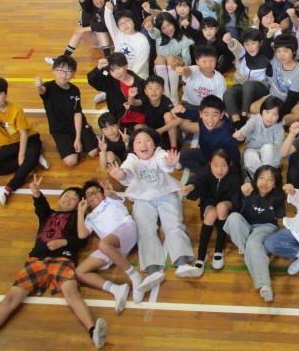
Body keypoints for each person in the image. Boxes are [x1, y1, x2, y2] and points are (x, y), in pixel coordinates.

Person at [0, 176, 108, 350]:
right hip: (36, 261)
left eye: (73, 198)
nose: (68, 199)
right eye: (66, 195)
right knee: (10, 299)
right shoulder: (48, 215)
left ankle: (93, 331)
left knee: (72, 293)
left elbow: (81, 240)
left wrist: (64, 242)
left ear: (79, 204)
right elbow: (41, 208)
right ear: (60, 198)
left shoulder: (77, 218)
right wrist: (37, 193)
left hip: (63, 260)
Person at [107, 128, 199, 286]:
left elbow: (164, 161)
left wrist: (170, 163)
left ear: (154, 144)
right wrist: (120, 175)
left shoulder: (159, 153)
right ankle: (153, 270)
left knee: (174, 225)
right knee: (145, 231)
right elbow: (126, 171)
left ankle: (182, 263)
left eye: (147, 140)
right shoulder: (132, 158)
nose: (143, 145)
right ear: (133, 147)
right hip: (142, 199)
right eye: (138, 142)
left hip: (166, 194)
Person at [75, 180, 144, 313]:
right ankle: (116, 289)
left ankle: (135, 277)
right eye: (89, 194)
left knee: (103, 244)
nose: (93, 195)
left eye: (96, 192)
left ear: (102, 193)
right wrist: (80, 212)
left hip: (126, 229)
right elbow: (82, 235)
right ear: (86, 200)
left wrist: (110, 193)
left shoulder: (110, 200)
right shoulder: (89, 217)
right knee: (80, 272)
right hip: (111, 247)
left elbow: (114, 196)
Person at [224, 165, 286, 302]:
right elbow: (236, 204)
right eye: (261, 178)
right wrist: (243, 193)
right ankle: (246, 249)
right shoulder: (248, 190)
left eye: (270, 179)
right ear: (255, 179)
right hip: (247, 225)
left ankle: (265, 285)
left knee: (253, 244)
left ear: (275, 184)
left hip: (266, 227)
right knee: (233, 218)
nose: (264, 182)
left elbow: (280, 218)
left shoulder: (278, 196)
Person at [181, 149, 242, 275]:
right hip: (210, 202)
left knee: (221, 207)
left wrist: (229, 207)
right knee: (211, 213)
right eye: (215, 165)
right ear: (210, 164)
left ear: (229, 165)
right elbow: (198, 180)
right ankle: (201, 255)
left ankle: (219, 248)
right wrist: (190, 187)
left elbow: (237, 201)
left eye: (223, 166)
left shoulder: (234, 176)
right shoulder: (206, 171)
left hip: (227, 205)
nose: (219, 170)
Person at [35, 55, 99, 166]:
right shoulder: (48, 87)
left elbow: (77, 113)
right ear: (54, 71)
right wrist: (38, 86)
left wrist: (78, 138)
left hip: (76, 124)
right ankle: (67, 143)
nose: (64, 75)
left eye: (69, 71)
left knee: (94, 153)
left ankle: (85, 132)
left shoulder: (75, 90)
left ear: (73, 74)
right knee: (71, 161)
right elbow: (41, 90)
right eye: (60, 70)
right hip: (59, 130)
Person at [175, 95, 242, 174]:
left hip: (219, 163)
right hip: (205, 154)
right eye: (206, 114)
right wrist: (179, 109)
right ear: (200, 113)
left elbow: (235, 159)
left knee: (218, 173)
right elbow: (187, 111)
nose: (210, 120)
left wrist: (235, 175)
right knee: (179, 156)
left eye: (215, 115)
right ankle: (204, 172)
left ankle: (208, 175)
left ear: (221, 115)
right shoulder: (201, 114)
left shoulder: (227, 137)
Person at [250, 33, 299, 126]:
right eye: (278, 51)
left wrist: (277, 115)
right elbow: (264, 48)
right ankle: (274, 122)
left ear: (294, 51)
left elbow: (291, 100)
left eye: (285, 51)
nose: (281, 55)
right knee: (253, 108)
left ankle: (268, 121)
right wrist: (269, 34)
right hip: (273, 97)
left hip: (291, 102)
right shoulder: (275, 59)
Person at [45, 0, 112, 63]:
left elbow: (103, 26)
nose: (99, 1)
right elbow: (86, 7)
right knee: (79, 32)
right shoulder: (92, 7)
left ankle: (108, 60)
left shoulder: (109, 6)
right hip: (97, 40)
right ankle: (63, 60)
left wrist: (85, 29)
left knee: (101, 31)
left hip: (110, 40)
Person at [222, 28, 272, 129]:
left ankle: (244, 117)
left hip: (259, 88)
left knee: (248, 85)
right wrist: (230, 42)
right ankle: (237, 123)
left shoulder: (267, 56)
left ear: (260, 43)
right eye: (246, 44)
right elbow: (236, 48)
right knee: (228, 93)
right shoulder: (243, 54)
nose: (250, 47)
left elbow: (271, 77)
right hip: (241, 85)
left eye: (253, 43)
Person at [87, 53, 146, 131]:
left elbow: (143, 104)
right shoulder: (110, 81)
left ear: (126, 65)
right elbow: (92, 80)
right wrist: (99, 67)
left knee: (138, 131)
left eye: (118, 68)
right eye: (112, 70)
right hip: (118, 118)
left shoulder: (140, 83)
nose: (116, 73)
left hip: (137, 119)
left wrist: (132, 101)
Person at [144, 12, 194, 104]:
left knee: (170, 59)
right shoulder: (159, 36)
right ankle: (166, 93)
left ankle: (174, 94)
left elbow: (187, 59)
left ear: (174, 23)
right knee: (159, 58)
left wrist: (180, 63)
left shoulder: (183, 38)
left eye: (169, 25)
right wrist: (150, 29)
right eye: (163, 28)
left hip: (178, 70)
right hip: (161, 69)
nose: (167, 30)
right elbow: (154, 33)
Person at [233, 96, 285, 179]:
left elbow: (278, 146)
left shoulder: (279, 128)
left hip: (270, 156)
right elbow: (247, 127)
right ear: (262, 111)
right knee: (249, 154)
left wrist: (275, 160)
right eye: (267, 112)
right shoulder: (255, 120)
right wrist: (241, 133)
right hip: (253, 150)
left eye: (275, 114)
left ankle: (265, 175)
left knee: (268, 147)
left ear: (279, 116)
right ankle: (260, 177)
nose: (270, 117)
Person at [175, 44, 227, 120]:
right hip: (188, 104)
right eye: (204, 61)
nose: (208, 64)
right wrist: (183, 70)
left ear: (216, 60)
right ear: (197, 62)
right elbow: (188, 70)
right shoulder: (194, 70)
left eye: (212, 61)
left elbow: (218, 101)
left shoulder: (220, 79)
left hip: (207, 109)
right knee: (179, 116)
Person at [104, 2, 151, 79]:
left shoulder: (142, 40)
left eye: (127, 21)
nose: (124, 25)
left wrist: (126, 77)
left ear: (133, 21)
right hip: (118, 72)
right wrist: (108, 10)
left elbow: (139, 65)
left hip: (138, 74)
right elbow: (109, 22)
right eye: (120, 23)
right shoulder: (118, 35)